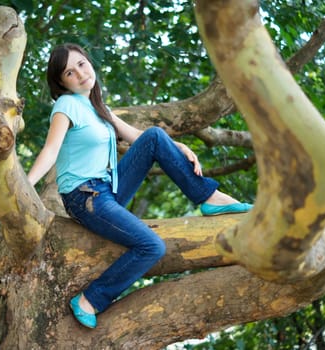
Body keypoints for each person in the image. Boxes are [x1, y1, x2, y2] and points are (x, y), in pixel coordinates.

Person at [27, 43, 252, 329]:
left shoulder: (98, 107)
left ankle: (209, 197)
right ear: (62, 83)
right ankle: (90, 299)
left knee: (156, 137)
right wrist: (26, 186)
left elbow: (137, 136)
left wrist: (177, 145)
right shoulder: (66, 105)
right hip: (84, 198)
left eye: (82, 64)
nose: (81, 74)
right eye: (70, 72)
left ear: (90, 62)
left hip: (107, 189)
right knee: (152, 247)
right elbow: (51, 150)